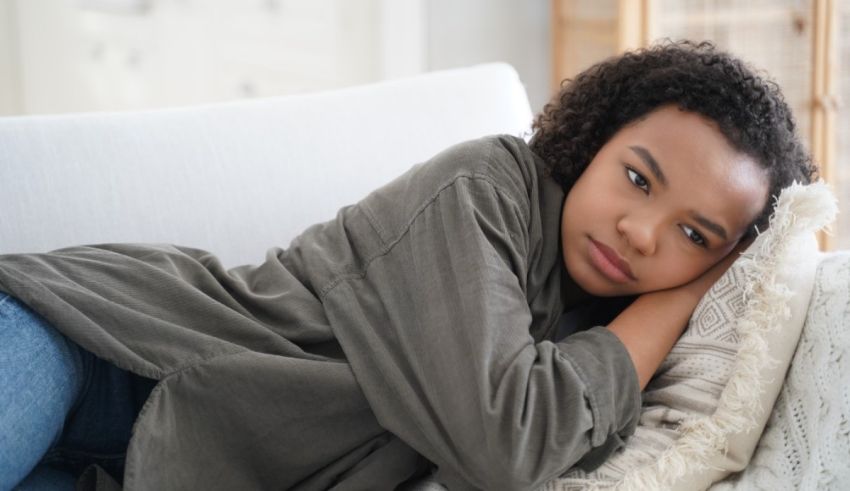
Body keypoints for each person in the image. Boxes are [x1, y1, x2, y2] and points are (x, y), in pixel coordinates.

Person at [0, 40, 816, 491]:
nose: (643, 233)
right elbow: (507, 441)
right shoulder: (484, 187)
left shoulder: (596, 338)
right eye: (637, 177)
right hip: (89, 343)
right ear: (596, 138)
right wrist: (673, 303)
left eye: (694, 236)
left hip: (141, 464)